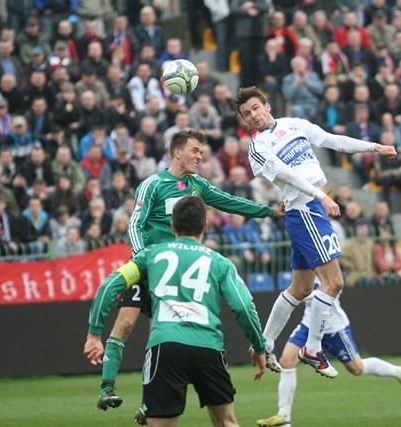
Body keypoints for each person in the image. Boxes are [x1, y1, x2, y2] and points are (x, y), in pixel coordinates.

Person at [87, 130, 283, 416]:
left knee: (161, 332)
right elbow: (135, 224)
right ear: (177, 152)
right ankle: (107, 388)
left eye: (201, 152)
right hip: (148, 265)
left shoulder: (197, 185)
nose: (200, 156)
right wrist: (142, 259)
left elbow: (229, 201)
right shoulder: (153, 184)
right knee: (126, 323)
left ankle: (147, 403)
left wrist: (267, 211)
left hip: (175, 274)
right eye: (195, 151)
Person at [234, 87, 397, 378]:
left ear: (267, 105)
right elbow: (286, 174)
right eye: (247, 114)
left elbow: (333, 141)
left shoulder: (294, 124)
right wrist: (320, 195)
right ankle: (312, 347)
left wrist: (374, 147)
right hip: (305, 209)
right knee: (333, 283)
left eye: (256, 108)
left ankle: (265, 343)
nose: (253, 116)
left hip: (309, 208)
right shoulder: (258, 147)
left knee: (301, 289)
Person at [84, 196, 267, 427]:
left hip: (165, 347)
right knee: (227, 422)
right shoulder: (220, 263)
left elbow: (108, 287)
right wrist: (258, 346)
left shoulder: (150, 255)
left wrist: (94, 334)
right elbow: (243, 306)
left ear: (172, 226)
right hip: (208, 347)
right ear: (205, 226)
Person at [255, 281, 401, 427]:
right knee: (287, 361)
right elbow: (298, 285)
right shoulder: (304, 260)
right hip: (308, 325)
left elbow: (335, 288)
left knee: (357, 368)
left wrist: (299, 296)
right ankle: (283, 416)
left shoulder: (325, 259)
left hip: (333, 328)